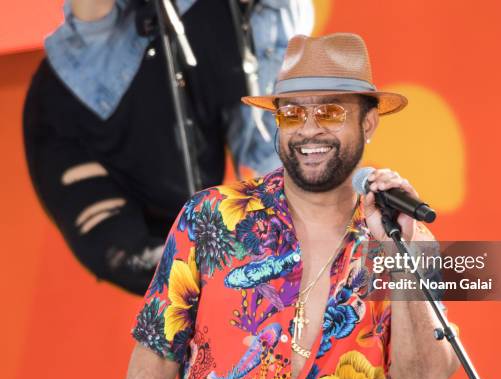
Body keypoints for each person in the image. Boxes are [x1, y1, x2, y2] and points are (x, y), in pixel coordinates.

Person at [122, 33, 459, 379]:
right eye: (293, 112)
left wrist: (401, 255)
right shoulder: (211, 216)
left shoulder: (408, 239)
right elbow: (153, 360)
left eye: (330, 112)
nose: (309, 129)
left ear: (368, 124)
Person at [22, 0, 314, 295]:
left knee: (209, 280)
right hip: (83, 129)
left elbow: (263, 139)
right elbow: (89, 23)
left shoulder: (283, 11)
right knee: (134, 259)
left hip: (176, 169)